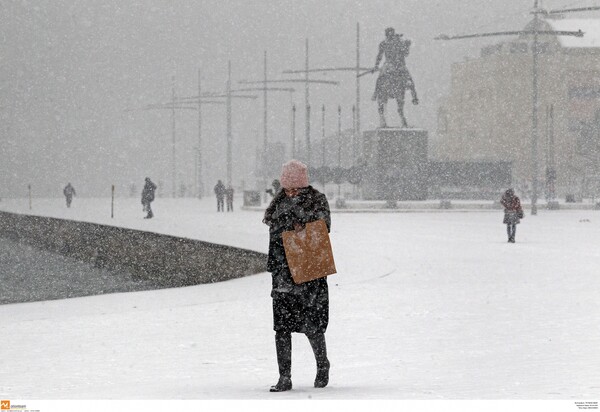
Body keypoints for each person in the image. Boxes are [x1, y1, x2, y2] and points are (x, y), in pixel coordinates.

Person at [262, 160, 331, 392]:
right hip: (282, 270)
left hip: (308, 271)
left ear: (303, 185)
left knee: (312, 325)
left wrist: (298, 220)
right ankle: (285, 377)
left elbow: (323, 227)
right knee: (281, 327)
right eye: (288, 187)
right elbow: (274, 231)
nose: (291, 192)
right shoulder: (278, 202)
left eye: (295, 188)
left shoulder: (317, 200)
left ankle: (322, 365)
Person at [371, 27, 418, 128]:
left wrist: (376, 66)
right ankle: (414, 97)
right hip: (396, 65)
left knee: (380, 79)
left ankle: (376, 93)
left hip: (392, 65)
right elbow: (405, 53)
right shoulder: (395, 42)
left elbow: (380, 56)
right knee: (409, 80)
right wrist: (406, 45)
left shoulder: (390, 43)